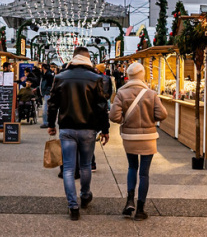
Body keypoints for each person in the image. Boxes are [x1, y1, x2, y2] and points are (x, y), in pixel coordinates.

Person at [47, 47, 110, 220]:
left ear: (73, 58)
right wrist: (105, 129)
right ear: (88, 59)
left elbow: (52, 103)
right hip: (88, 128)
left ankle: (73, 206)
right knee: (85, 165)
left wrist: (51, 124)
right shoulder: (96, 78)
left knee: (68, 168)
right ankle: (85, 195)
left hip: (67, 127)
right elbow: (102, 106)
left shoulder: (60, 77)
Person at [109, 62, 168, 221]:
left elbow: (114, 116)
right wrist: (150, 119)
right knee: (144, 173)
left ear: (129, 75)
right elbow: (162, 114)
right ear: (142, 75)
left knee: (132, 167)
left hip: (130, 137)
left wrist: (124, 121)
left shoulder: (121, 93)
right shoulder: (151, 94)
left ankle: (130, 201)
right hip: (148, 138)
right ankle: (140, 209)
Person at [39, 62, 55, 128]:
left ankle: (46, 122)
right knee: (47, 109)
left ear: (43, 68)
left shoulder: (47, 75)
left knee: (45, 109)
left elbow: (49, 85)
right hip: (46, 93)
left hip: (47, 94)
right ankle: (48, 122)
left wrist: (46, 92)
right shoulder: (47, 74)